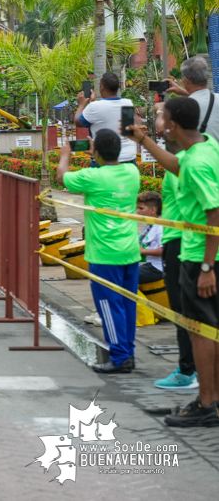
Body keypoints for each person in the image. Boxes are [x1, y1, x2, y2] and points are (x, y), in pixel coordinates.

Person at [132, 96, 219, 426]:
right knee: (208, 329)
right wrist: (143, 140)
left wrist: (207, 268)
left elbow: (214, 211)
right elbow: (177, 165)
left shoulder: (196, 162)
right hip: (200, 254)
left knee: (201, 331)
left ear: (174, 125)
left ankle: (206, 404)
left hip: (200, 257)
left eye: (162, 117)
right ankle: (213, 400)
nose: (159, 121)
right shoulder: (206, 146)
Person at [56, 129, 141, 374]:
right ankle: (129, 352)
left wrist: (65, 155)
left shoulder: (92, 176)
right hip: (130, 250)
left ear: (97, 152)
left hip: (105, 253)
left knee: (108, 305)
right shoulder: (132, 172)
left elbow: (62, 178)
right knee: (127, 305)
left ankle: (119, 357)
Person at [150, 111, 197, 390]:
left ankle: (188, 370)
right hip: (184, 242)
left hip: (181, 244)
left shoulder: (182, 166)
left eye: (166, 121)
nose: (161, 126)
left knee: (183, 312)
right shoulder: (201, 154)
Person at [74, 72, 136, 163]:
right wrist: (92, 103)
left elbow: (77, 122)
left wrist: (81, 104)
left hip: (104, 159)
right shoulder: (128, 103)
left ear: (102, 87)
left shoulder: (94, 107)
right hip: (129, 157)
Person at [165, 56, 219, 145]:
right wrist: (183, 92)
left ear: (186, 80)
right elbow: (202, 98)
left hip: (198, 157)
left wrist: (159, 110)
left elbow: (163, 130)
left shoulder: (183, 107)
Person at [136, 190, 166, 307]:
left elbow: (164, 250)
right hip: (149, 265)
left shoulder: (160, 227)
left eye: (141, 208)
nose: (137, 212)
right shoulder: (150, 225)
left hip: (157, 268)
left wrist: (143, 251)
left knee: (126, 275)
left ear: (153, 210)